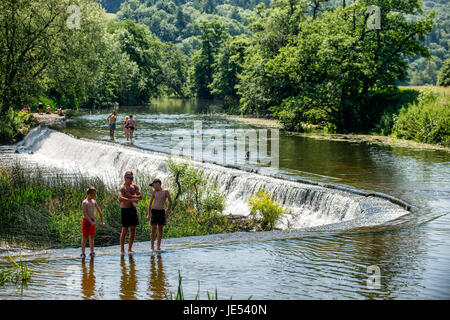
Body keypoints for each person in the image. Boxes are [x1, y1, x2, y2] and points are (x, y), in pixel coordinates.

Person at [118, 171, 142, 254]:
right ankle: (122, 249)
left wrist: (129, 196)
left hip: (132, 209)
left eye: (132, 178)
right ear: (125, 178)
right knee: (124, 230)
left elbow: (140, 197)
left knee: (133, 229)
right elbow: (120, 198)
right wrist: (132, 199)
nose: (131, 179)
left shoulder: (134, 186)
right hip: (125, 209)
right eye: (129, 178)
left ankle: (130, 249)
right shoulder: (122, 187)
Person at [146, 179, 172, 252]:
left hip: (162, 212)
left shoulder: (165, 191)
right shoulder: (154, 192)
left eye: (153, 185)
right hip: (154, 211)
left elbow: (170, 202)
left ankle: (158, 247)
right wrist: (148, 214)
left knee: (160, 230)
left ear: (158, 183)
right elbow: (150, 204)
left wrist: (167, 213)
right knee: (153, 229)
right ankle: (152, 247)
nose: (153, 186)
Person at [81, 187, 105, 259]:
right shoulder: (85, 202)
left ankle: (92, 252)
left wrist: (101, 220)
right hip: (86, 221)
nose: (95, 195)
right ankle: (83, 253)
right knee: (85, 237)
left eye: (95, 194)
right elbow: (85, 213)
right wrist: (90, 221)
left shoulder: (94, 201)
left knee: (92, 237)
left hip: (92, 220)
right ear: (89, 194)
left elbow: (99, 211)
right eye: (94, 194)